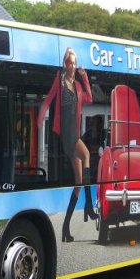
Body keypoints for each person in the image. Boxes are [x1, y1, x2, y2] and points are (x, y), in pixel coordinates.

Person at [37, 47, 94, 242]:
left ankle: (65, 229)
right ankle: (89, 205)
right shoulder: (60, 80)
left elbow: (90, 98)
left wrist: (85, 77)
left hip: (74, 133)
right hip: (67, 135)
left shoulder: (78, 85)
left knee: (78, 183)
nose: (72, 66)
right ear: (64, 64)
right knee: (86, 155)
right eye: (69, 62)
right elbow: (49, 98)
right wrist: (40, 118)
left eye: (75, 63)